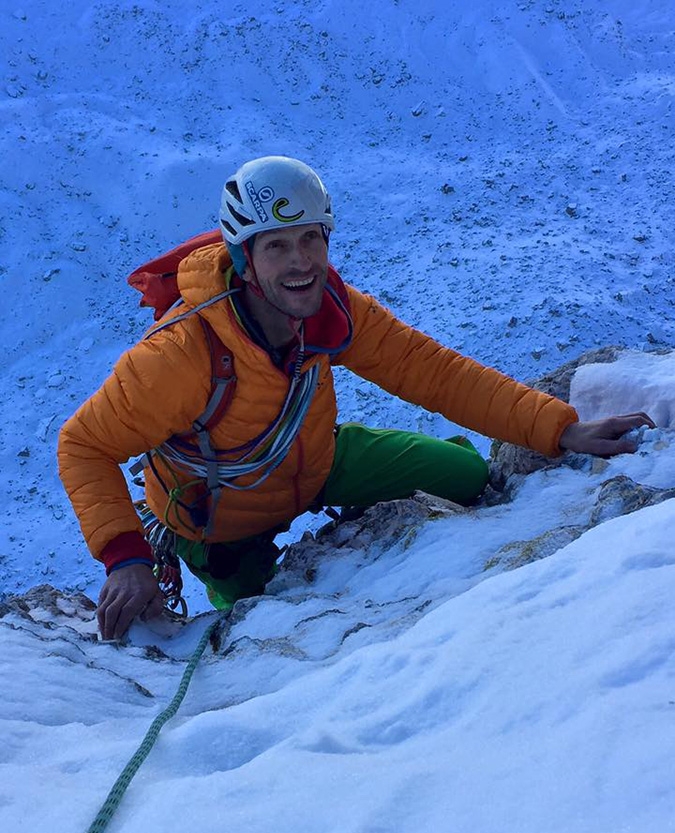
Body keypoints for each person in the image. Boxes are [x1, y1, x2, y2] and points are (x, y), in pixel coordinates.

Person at [58, 156, 654, 640]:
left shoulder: (334, 311)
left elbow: (435, 373)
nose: (300, 263)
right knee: (261, 619)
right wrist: (127, 558)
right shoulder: (180, 355)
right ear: (243, 258)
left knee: (468, 473)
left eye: (311, 240)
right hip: (217, 515)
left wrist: (559, 428)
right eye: (277, 246)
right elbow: (84, 445)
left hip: (316, 463)